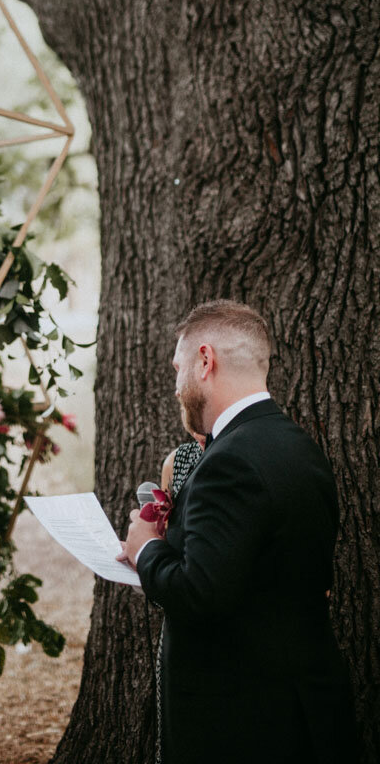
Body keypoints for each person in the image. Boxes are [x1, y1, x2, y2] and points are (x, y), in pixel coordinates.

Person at [119, 299, 358, 764]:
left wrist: (146, 549)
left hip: (242, 721)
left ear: (205, 361)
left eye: (178, 367)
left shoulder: (229, 461)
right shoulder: (298, 445)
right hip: (303, 706)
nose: (176, 386)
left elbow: (199, 593)